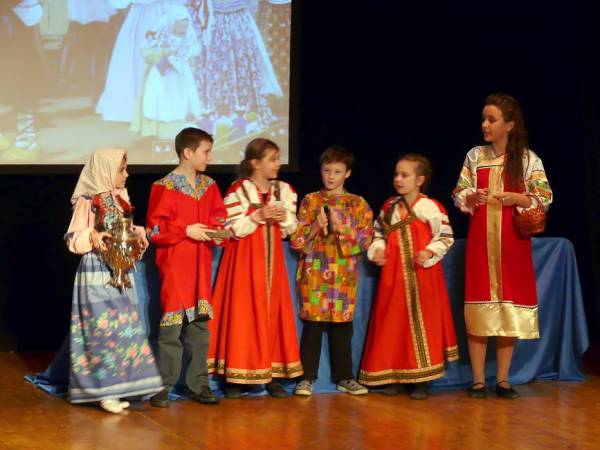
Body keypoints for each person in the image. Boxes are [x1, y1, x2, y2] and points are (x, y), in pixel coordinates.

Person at [453, 93, 553, 399]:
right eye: (484, 119)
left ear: (509, 125)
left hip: (512, 243)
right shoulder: (475, 156)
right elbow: (459, 190)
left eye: (492, 120)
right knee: (480, 305)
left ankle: (504, 380)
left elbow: (544, 196)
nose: (485, 125)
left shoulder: (527, 159)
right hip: (481, 243)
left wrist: (518, 198)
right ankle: (478, 380)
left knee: (508, 307)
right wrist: (471, 197)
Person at [65, 148, 162, 413]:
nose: (126, 174)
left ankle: (121, 387)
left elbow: (123, 231)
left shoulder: (120, 199)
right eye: (121, 169)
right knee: (102, 331)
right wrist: (92, 236)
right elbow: (72, 238)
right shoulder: (88, 200)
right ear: (106, 171)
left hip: (121, 271)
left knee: (123, 329)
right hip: (96, 271)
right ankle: (104, 392)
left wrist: (136, 235)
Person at [208, 137, 302, 398]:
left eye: (278, 158)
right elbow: (231, 229)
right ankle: (235, 377)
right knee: (242, 314)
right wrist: (258, 216)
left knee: (272, 313)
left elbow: (290, 230)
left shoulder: (284, 190)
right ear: (255, 163)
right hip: (243, 262)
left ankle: (270, 375)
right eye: (272, 159)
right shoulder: (239, 190)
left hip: (272, 263)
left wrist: (285, 220)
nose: (278, 164)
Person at [359, 154, 458, 400]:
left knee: (423, 324)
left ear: (420, 180)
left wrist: (429, 251)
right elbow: (378, 233)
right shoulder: (390, 206)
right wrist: (378, 249)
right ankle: (397, 376)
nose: (398, 179)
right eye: (396, 174)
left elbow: (445, 236)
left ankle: (421, 380)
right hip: (394, 278)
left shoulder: (430, 206)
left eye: (405, 175)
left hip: (422, 276)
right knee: (395, 324)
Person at [146, 127, 226, 407]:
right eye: (206, 152)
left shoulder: (209, 186)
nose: (210, 158)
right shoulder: (164, 186)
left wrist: (217, 231)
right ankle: (163, 385)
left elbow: (218, 216)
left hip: (200, 266)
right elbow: (155, 229)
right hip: (175, 264)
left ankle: (199, 383)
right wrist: (185, 230)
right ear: (188, 152)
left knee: (199, 327)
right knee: (171, 329)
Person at [291, 145, 373, 396]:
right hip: (314, 274)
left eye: (337, 172)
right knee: (312, 328)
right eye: (327, 171)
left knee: (342, 328)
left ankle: (344, 377)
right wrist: (315, 227)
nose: (331, 177)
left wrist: (341, 229)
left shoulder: (357, 203)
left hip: (343, 277)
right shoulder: (310, 200)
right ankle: (306, 378)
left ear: (347, 173)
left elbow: (364, 240)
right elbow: (297, 240)